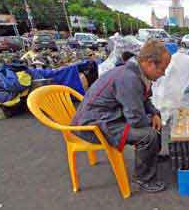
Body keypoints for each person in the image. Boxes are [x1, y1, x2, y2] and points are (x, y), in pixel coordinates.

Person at [71, 39, 171, 193]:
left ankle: (151, 157)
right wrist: (151, 118)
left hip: (106, 115)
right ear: (150, 63)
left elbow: (144, 99)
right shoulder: (129, 78)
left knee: (155, 121)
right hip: (93, 125)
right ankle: (143, 178)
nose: (163, 74)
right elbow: (136, 120)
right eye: (162, 69)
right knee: (148, 134)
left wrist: (154, 113)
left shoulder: (137, 72)